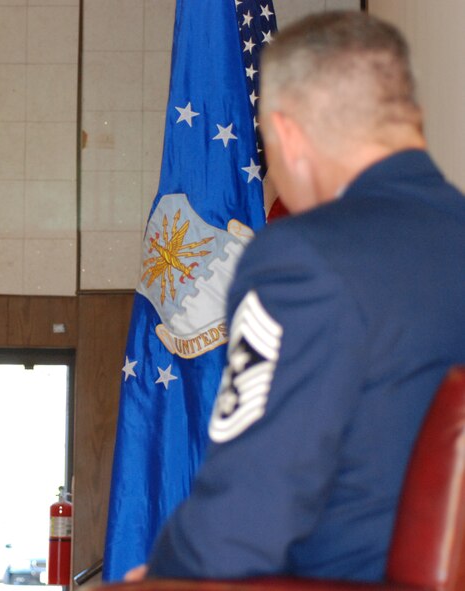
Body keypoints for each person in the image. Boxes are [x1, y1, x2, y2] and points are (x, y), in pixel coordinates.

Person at [129, 11, 465, 582]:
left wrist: (162, 572)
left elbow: (242, 520)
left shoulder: (302, 260)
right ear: (411, 117)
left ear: (284, 132)